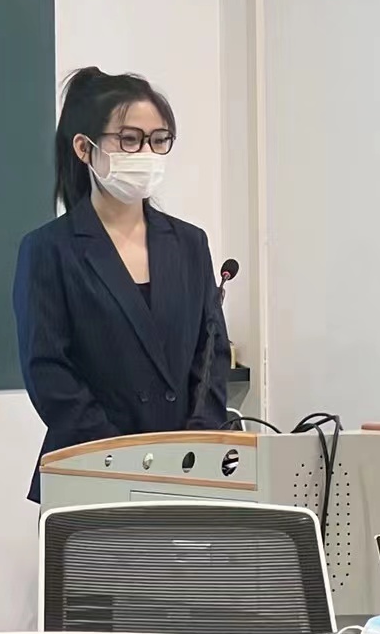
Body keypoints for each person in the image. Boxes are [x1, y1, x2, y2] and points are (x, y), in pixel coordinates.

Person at [13, 67, 229, 503]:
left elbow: (212, 355)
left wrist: (193, 449)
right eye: (129, 139)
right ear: (84, 148)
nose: (146, 152)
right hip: (91, 473)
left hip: (186, 475)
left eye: (158, 139)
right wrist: (123, 461)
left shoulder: (190, 243)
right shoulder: (49, 249)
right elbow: (48, 371)